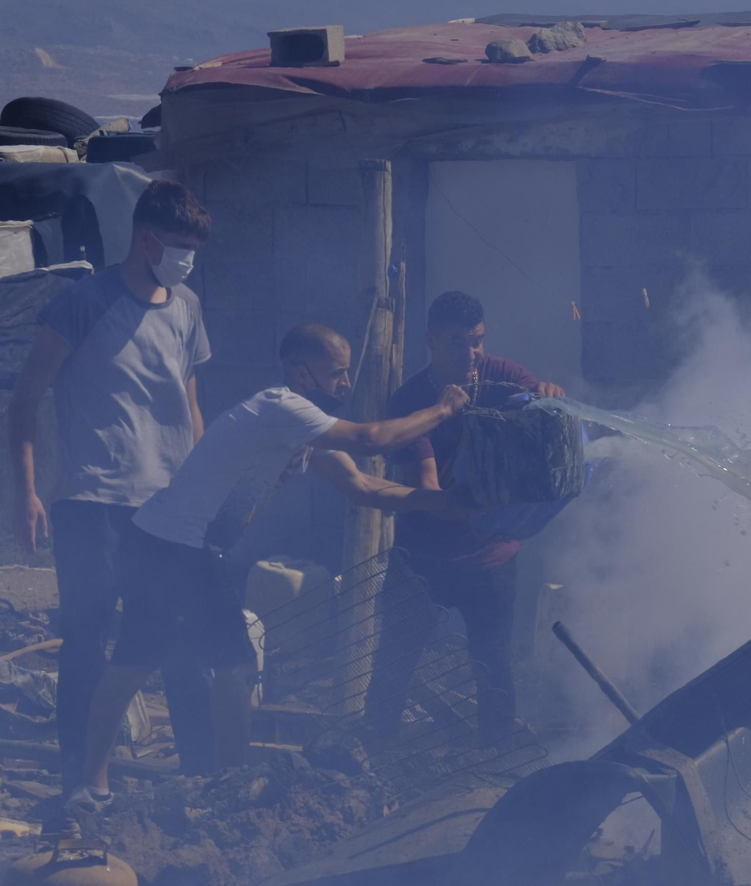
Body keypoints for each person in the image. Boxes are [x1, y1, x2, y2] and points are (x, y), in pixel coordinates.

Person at [66, 323, 472, 810]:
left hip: (183, 547)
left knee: (213, 663)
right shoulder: (282, 407)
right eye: (337, 373)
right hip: (169, 545)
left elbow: (363, 488)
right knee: (156, 663)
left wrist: (440, 502)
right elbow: (372, 439)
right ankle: (160, 785)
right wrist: (441, 410)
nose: (346, 383)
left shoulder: (305, 428)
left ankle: (186, 783)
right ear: (301, 372)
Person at [7, 179, 219, 784]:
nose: (187, 260)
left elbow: (190, 405)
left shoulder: (187, 307)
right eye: (179, 246)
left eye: (194, 249)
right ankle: (81, 783)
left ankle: (201, 780)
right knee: (88, 644)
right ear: (146, 240)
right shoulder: (83, 302)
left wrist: (203, 491)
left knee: (183, 643)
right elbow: (25, 398)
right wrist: (25, 492)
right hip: (93, 504)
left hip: (170, 508)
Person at [366, 290, 564, 741]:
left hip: (491, 558)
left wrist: (549, 399)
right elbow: (430, 490)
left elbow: (541, 414)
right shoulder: (410, 402)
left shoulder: (504, 377)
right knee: (394, 661)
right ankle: (372, 754)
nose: (471, 354)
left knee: (493, 665)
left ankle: (494, 757)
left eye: (477, 341)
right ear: (431, 341)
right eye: (458, 342)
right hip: (421, 558)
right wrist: (482, 498)